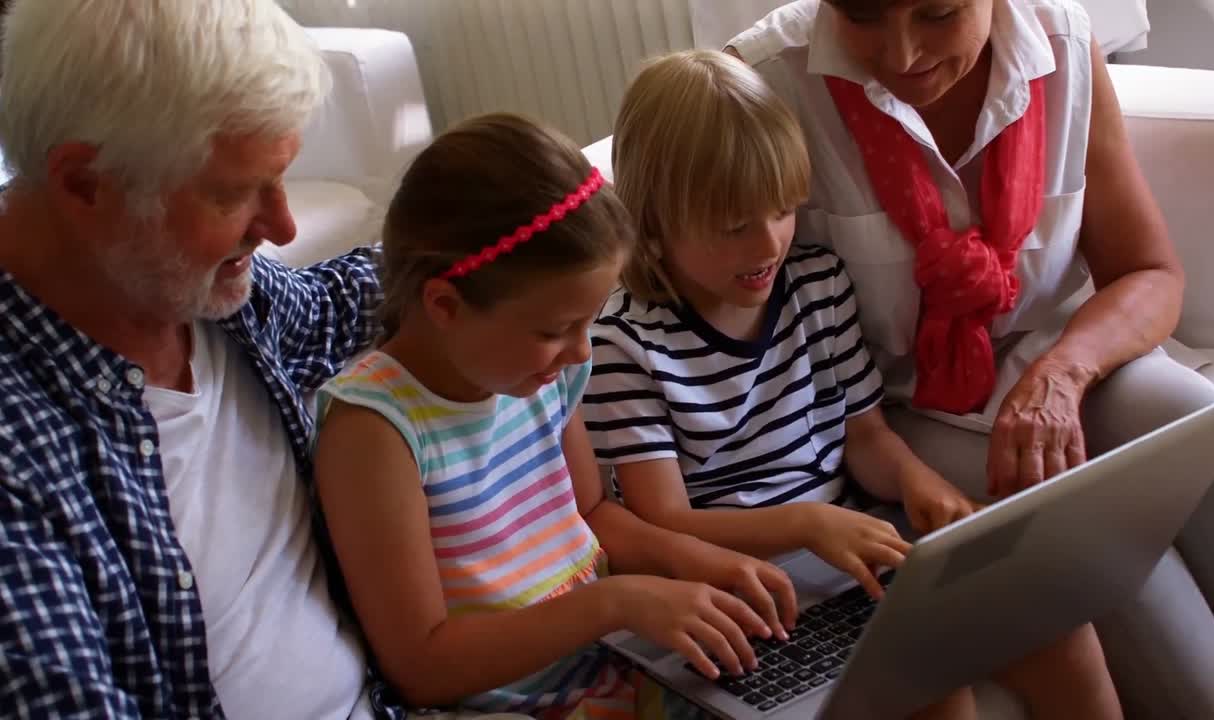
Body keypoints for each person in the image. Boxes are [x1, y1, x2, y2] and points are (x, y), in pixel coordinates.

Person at [724, 0, 1214, 717]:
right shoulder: (766, 80)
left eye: (938, 13)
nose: (901, 55)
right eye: (861, 16)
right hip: (894, 408)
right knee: (1084, 525)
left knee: (1196, 421)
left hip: (1058, 351)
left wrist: (1064, 372)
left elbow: (1148, 271)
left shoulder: (1063, 44)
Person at [585, 48, 1121, 720]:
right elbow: (663, 520)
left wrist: (920, 485)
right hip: (734, 599)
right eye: (732, 227)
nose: (767, 245)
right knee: (933, 689)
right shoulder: (622, 345)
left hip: (844, 567)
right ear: (653, 227)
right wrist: (809, 523)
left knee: (1057, 625)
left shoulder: (817, 283)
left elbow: (866, 436)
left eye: (782, 211)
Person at [312, 112, 799, 719]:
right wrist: (616, 602)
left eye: (587, 323)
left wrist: (703, 565)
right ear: (444, 303)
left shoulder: (540, 373)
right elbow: (422, 666)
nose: (581, 353)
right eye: (555, 329)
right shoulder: (375, 427)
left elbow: (592, 513)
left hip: (616, 662)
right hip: (512, 702)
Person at [0, 0, 388, 716]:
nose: (282, 225)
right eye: (234, 193)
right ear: (86, 184)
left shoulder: (192, 289)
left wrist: (525, 229)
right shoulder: (17, 450)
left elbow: (342, 303)